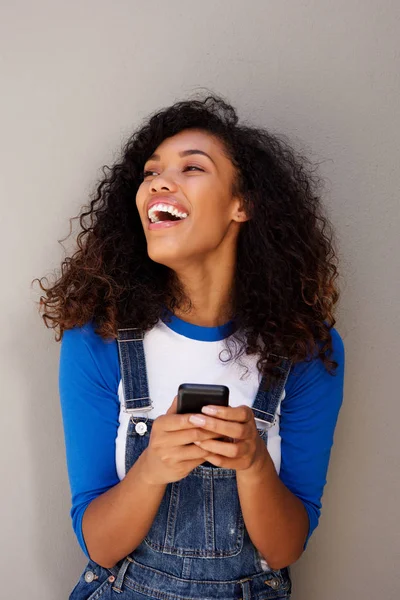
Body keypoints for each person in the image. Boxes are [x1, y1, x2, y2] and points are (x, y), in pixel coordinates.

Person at [35, 94, 345, 599]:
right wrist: (152, 467)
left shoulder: (307, 350)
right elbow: (98, 543)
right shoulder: (97, 340)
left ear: (241, 204)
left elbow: (287, 548)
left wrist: (253, 463)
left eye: (192, 167)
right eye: (151, 172)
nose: (159, 181)